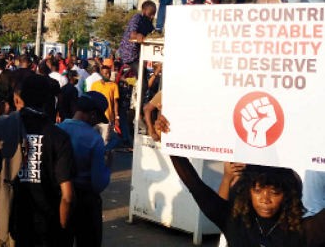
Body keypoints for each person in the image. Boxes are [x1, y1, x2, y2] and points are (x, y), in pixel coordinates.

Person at [155, 114, 325, 247]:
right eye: (258, 190)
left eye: (274, 192)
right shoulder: (232, 220)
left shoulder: (302, 231)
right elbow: (194, 184)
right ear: (248, 191)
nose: (265, 199)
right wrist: (169, 141)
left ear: (287, 195)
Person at [5, 75, 76, 246]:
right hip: (50, 224)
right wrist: (64, 229)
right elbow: (67, 196)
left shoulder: (5, 131)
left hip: (16, 220)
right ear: (48, 101)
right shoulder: (59, 137)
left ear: (17, 99)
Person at [58, 92, 113, 247]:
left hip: (59, 198)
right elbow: (97, 184)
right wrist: (108, 166)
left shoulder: (57, 130)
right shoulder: (95, 140)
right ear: (93, 114)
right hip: (85, 202)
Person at [117, 0, 156, 77]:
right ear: (143, 11)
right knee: (142, 75)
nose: (152, 17)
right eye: (150, 14)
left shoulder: (148, 21)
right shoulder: (137, 18)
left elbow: (153, 33)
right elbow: (133, 34)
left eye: (154, 14)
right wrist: (138, 35)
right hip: (129, 54)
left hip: (138, 54)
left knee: (144, 74)